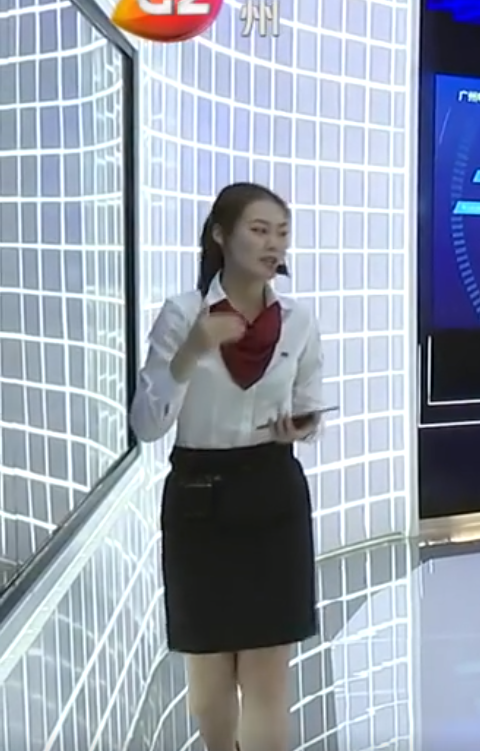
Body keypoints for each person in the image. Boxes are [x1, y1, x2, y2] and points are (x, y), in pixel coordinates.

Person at [129, 183, 325, 751]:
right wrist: (191, 351)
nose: (273, 243)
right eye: (259, 230)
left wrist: (302, 425)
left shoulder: (298, 320)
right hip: (200, 499)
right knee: (210, 679)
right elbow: (147, 423)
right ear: (221, 234)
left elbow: (311, 402)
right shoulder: (183, 314)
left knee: (268, 678)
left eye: (281, 232)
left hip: (273, 493)